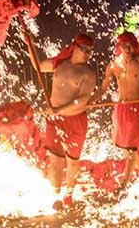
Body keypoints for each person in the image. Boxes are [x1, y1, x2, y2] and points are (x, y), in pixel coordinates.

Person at [92, 32, 139, 190]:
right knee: (125, 146)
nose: (128, 49)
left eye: (130, 45)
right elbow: (103, 88)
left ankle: (125, 183)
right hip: (121, 109)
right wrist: (90, 101)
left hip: (137, 108)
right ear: (120, 47)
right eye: (124, 46)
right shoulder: (114, 65)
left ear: (135, 45)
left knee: (130, 147)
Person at [37, 34, 97, 207]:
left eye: (90, 51)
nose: (87, 54)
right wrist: (29, 44)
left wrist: (59, 110)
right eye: (84, 49)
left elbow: (82, 100)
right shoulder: (60, 64)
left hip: (75, 121)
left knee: (72, 160)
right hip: (55, 120)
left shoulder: (88, 73)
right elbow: (40, 66)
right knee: (55, 158)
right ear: (74, 47)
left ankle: (69, 195)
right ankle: (54, 195)